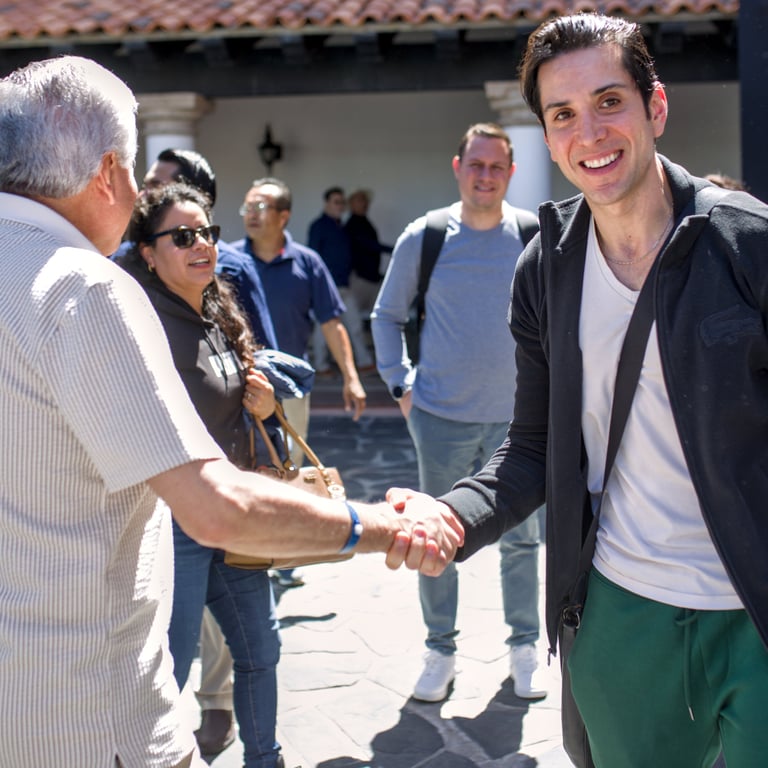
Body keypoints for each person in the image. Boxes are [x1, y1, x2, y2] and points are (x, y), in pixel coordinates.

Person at [0, 55, 462, 768]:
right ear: (109, 173)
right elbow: (214, 508)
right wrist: (383, 526)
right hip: (83, 720)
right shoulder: (84, 288)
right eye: (134, 170)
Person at [390, 13, 768, 768]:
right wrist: (454, 516)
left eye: (609, 102)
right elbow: (535, 446)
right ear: (546, 136)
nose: (588, 133)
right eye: (562, 114)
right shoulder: (546, 269)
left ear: (656, 107)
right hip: (620, 615)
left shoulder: (747, 243)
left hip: (754, 608)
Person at [371, 122, 546, 702]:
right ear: (458, 167)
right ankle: (440, 650)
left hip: (519, 423)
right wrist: (401, 385)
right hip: (440, 417)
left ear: (511, 173)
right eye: (476, 165)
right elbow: (386, 315)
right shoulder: (425, 237)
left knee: (522, 541)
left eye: (496, 167)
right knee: (432, 538)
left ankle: (524, 647)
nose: (485, 176)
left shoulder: (532, 235)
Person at [117, 182, 288, 767]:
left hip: (235, 516)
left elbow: (230, 409)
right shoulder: (143, 324)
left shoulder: (215, 313)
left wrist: (265, 406)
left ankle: (265, 759)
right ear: (148, 252)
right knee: (170, 663)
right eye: (183, 236)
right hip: (177, 525)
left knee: (261, 650)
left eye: (208, 233)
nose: (202, 245)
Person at [307, 186, 376, 375]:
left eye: (342, 203)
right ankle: (321, 365)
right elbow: (312, 257)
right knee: (324, 328)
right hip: (325, 287)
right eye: (336, 202)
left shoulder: (342, 228)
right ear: (327, 204)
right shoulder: (319, 226)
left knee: (354, 324)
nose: (340, 206)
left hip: (344, 285)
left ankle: (364, 362)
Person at [345, 188, 392, 318]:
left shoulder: (365, 222)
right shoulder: (353, 224)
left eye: (366, 200)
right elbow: (368, 244)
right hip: (360, 279)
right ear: (351, 204)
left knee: (379, 317)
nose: (364, 203)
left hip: (372, 279)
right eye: (360, 200)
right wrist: (394, 250)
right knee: (353, 320)